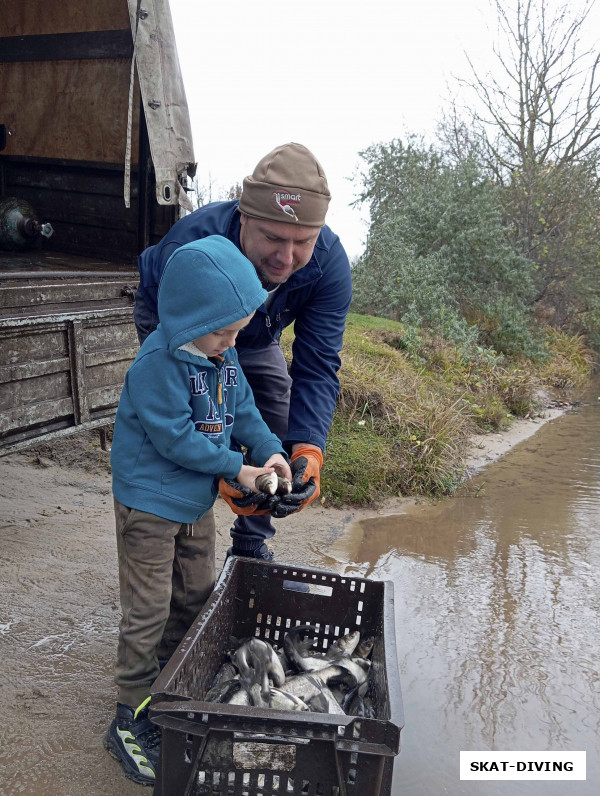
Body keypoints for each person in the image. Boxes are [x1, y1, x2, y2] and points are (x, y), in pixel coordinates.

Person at [104, 235, 292, 785]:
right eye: (223, 331)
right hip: (148, 503)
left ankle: (174, 678)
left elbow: (244, 411)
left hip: (193, 502)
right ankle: (130, 711)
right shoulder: (157, 364)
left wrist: (271, 451)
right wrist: (238, 469)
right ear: (186, 317)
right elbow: (177, 440)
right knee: (149, 606)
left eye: (237, 331)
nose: (231, 343)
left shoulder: (221, 354)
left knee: (194, 593)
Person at [133, 142, 352, 560]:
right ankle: (164, 539)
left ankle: (251, 541)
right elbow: (187, 385)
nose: (286, 259)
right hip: (178, 324)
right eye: (273, 237)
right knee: (189, 414)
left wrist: (308, 449)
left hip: (252, 334)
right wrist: (227, 464)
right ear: (244, 216)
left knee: (276, 412)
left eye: (303, 241)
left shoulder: (331, 267)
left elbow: (318, 366)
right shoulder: (194, 245)